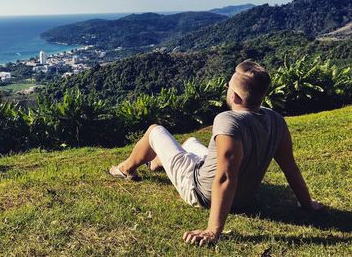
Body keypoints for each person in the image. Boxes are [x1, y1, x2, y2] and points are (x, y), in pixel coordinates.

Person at [109, 60, 324, 246]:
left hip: (200, 192)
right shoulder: (276, 120)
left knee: (155, 131)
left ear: (236, 97)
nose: (226, 88)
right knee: (191, 142)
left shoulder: (228, 121)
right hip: (244, 198)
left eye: (228, 86)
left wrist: (213, 231)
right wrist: (307, 204)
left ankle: (125, 169)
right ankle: (157, 163)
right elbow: (290, 168)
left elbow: (224, 177)